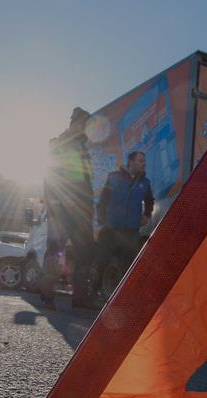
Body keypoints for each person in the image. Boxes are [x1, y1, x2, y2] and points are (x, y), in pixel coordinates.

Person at [44, 107, 96, 309]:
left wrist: (89, 207)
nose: (86, 128)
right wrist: (53, 205)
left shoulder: (83, 148)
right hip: (62, 209)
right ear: (74, 123)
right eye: (84, 124)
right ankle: (47, 295)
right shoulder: (59, 144)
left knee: (85, 252)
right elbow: (50, 176)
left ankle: (80, 298)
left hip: (80, 211)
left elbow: (85, 182)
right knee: (55, 250)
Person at [95, 150, 154, 294]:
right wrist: (102, 220)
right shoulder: (114, 177)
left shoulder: (145, 183)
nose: (144, 164)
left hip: (131, 233)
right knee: (102, 262)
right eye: (140, 161)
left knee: (128, 266)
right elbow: (103, 200)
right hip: (110, 230)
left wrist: (146, 215)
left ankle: (122, 296)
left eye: (144, 161)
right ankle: (94, 291)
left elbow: (150, 201)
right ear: (131, 162)